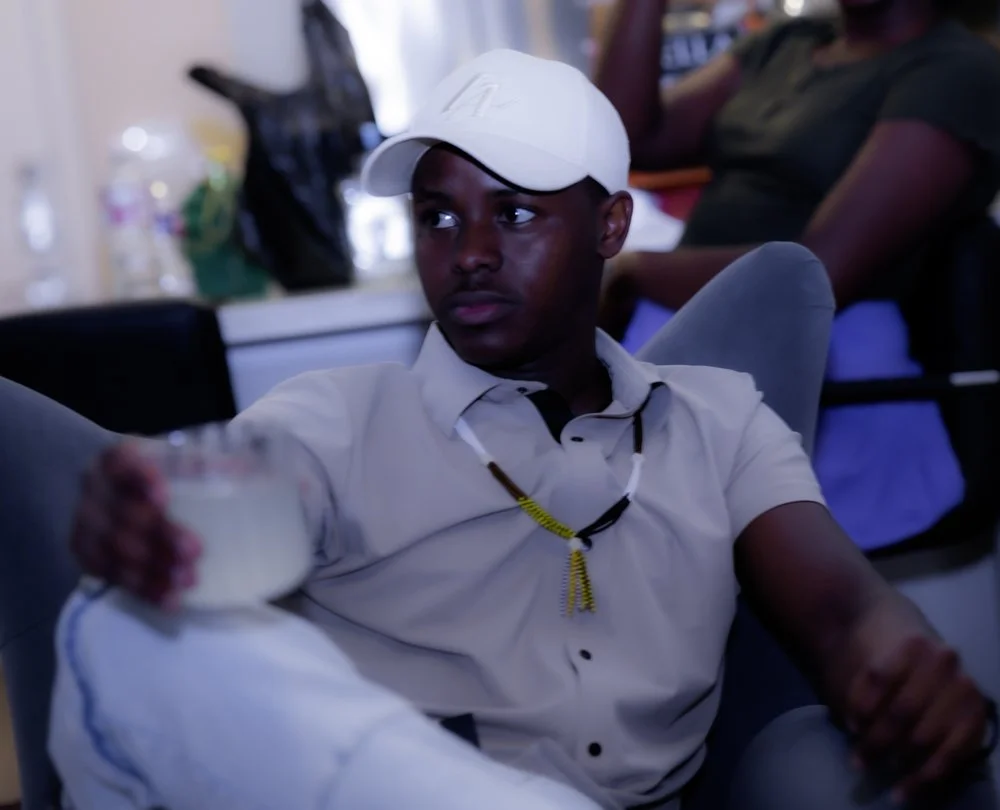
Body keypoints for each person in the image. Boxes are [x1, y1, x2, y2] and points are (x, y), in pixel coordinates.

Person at [64, 49, 997, 810]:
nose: (467, 253)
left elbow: (844, 611)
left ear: (610, 226)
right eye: (438, 216)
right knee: (115, 627)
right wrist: (163, 516)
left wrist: (902, 666)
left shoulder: (719, 419)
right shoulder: (338, 416)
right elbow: (247, 500)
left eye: (514, 212)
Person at [595, 0, 1000, 552]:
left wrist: (635, 270)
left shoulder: (956, 72)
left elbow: (816, 273)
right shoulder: (787, 43)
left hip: (821, 375)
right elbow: (622, 138)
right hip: (691, 346)